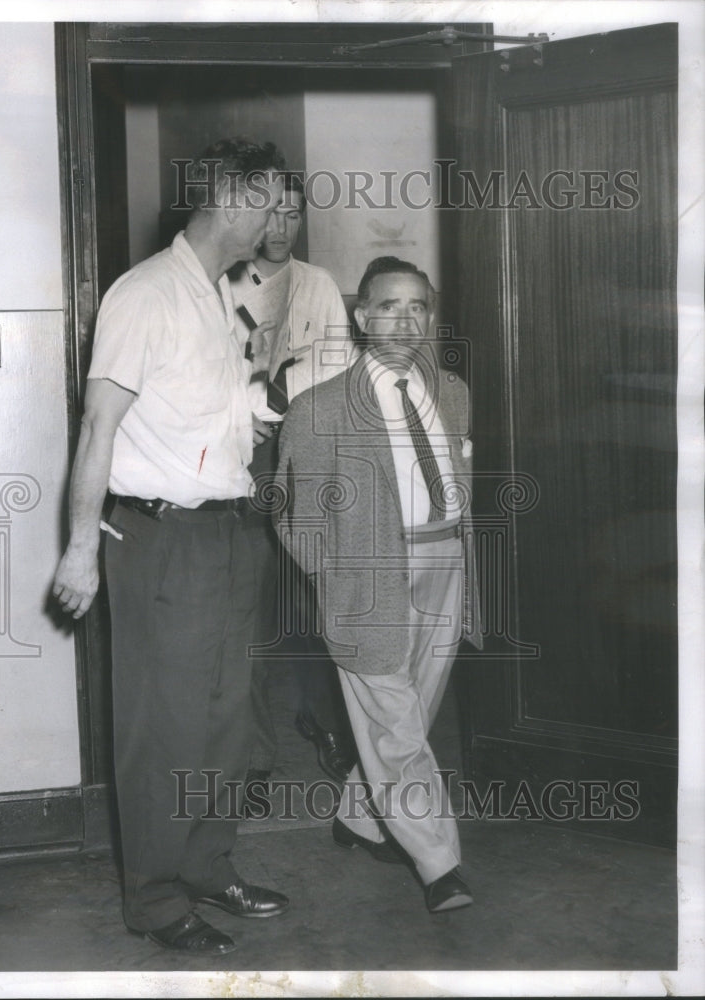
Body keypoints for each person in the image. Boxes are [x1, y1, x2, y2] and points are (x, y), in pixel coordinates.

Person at [52, 138, 292, 956]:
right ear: (228, 191)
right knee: (164, 727)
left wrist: (263, 394)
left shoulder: (224, 298)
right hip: (161, 539)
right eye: (269, 197)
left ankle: (206, 864)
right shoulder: (145, 294)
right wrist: (81, 548)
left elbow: (214, 418)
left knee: (225, 722)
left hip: (228, 534)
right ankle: (154, 899)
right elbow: (99, 425)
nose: (278, 215)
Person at [273, 256, 483, 914]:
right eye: (389, 306)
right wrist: (336, 580)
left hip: (444, 563)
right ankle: (439, 863)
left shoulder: (451, 391)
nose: (404, 320)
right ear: (362, 318)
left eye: (417, 307)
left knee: (410, 715)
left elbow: (458, 477)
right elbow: (291, 515)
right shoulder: (317, 410)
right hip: (368, 583)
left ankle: (359, 817)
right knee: (395, 726)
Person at [228, 174, 357, 794]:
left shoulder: (320, 285)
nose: (281, 229)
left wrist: (268, 397)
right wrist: (250, 406)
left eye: (293, 215)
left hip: (303, 451)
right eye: (271, 215)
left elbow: (332, 373)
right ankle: (252, 755)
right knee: (247, 607)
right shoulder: (220, 282)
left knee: (313, 596)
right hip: (238, 459)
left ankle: (322, 719)